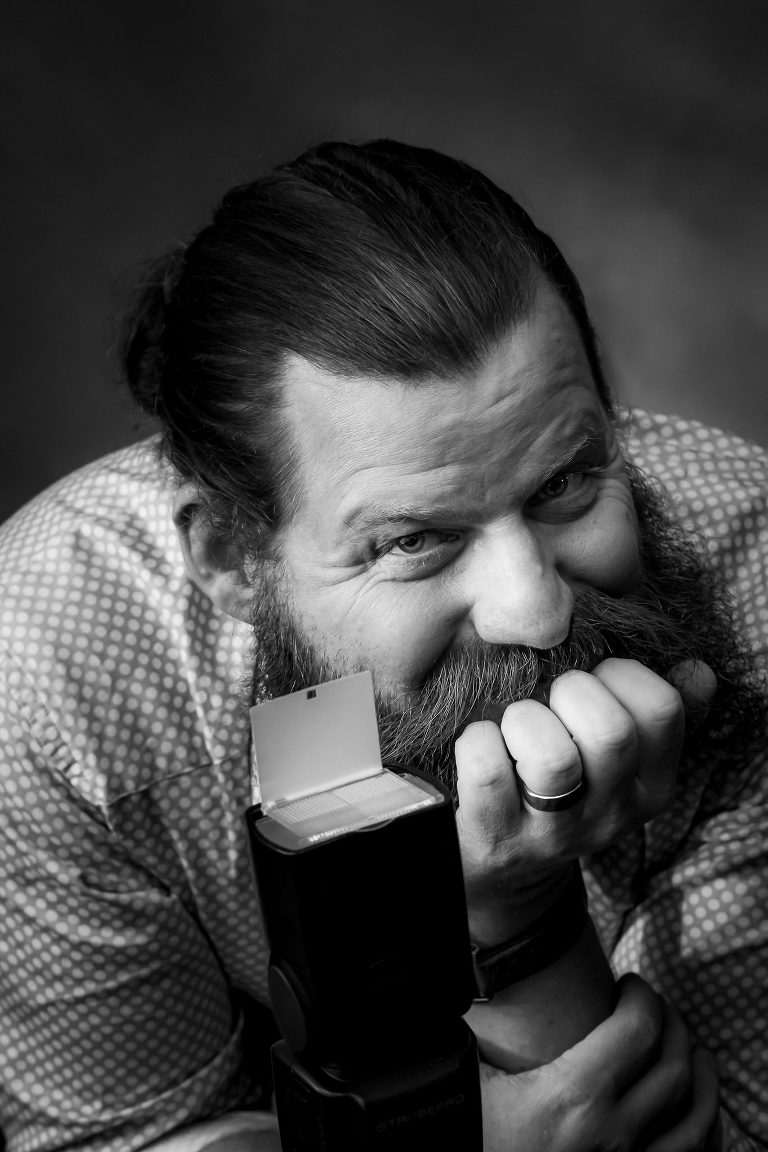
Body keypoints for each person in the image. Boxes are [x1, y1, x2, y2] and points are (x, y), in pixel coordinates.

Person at [0, 138, 766, 1152]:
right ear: (234, 557)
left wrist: (517, 915)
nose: (533, 611)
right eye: (414, 539)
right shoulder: (51, 669)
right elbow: (122, 1137)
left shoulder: (748, 574)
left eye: (565, 484)